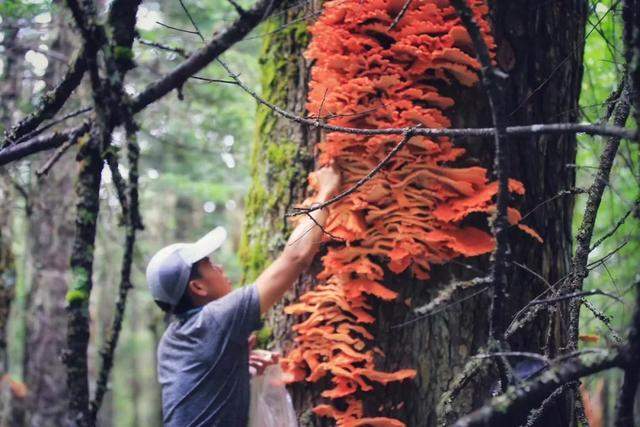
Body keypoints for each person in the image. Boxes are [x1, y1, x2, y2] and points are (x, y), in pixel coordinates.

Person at [146, 163, 342, 427]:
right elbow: (296, 258)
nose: (220, 267)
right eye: (210, 265)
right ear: (198, 288)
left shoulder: (171, 341)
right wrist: (327, 192)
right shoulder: (217, 318)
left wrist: (233, 363)